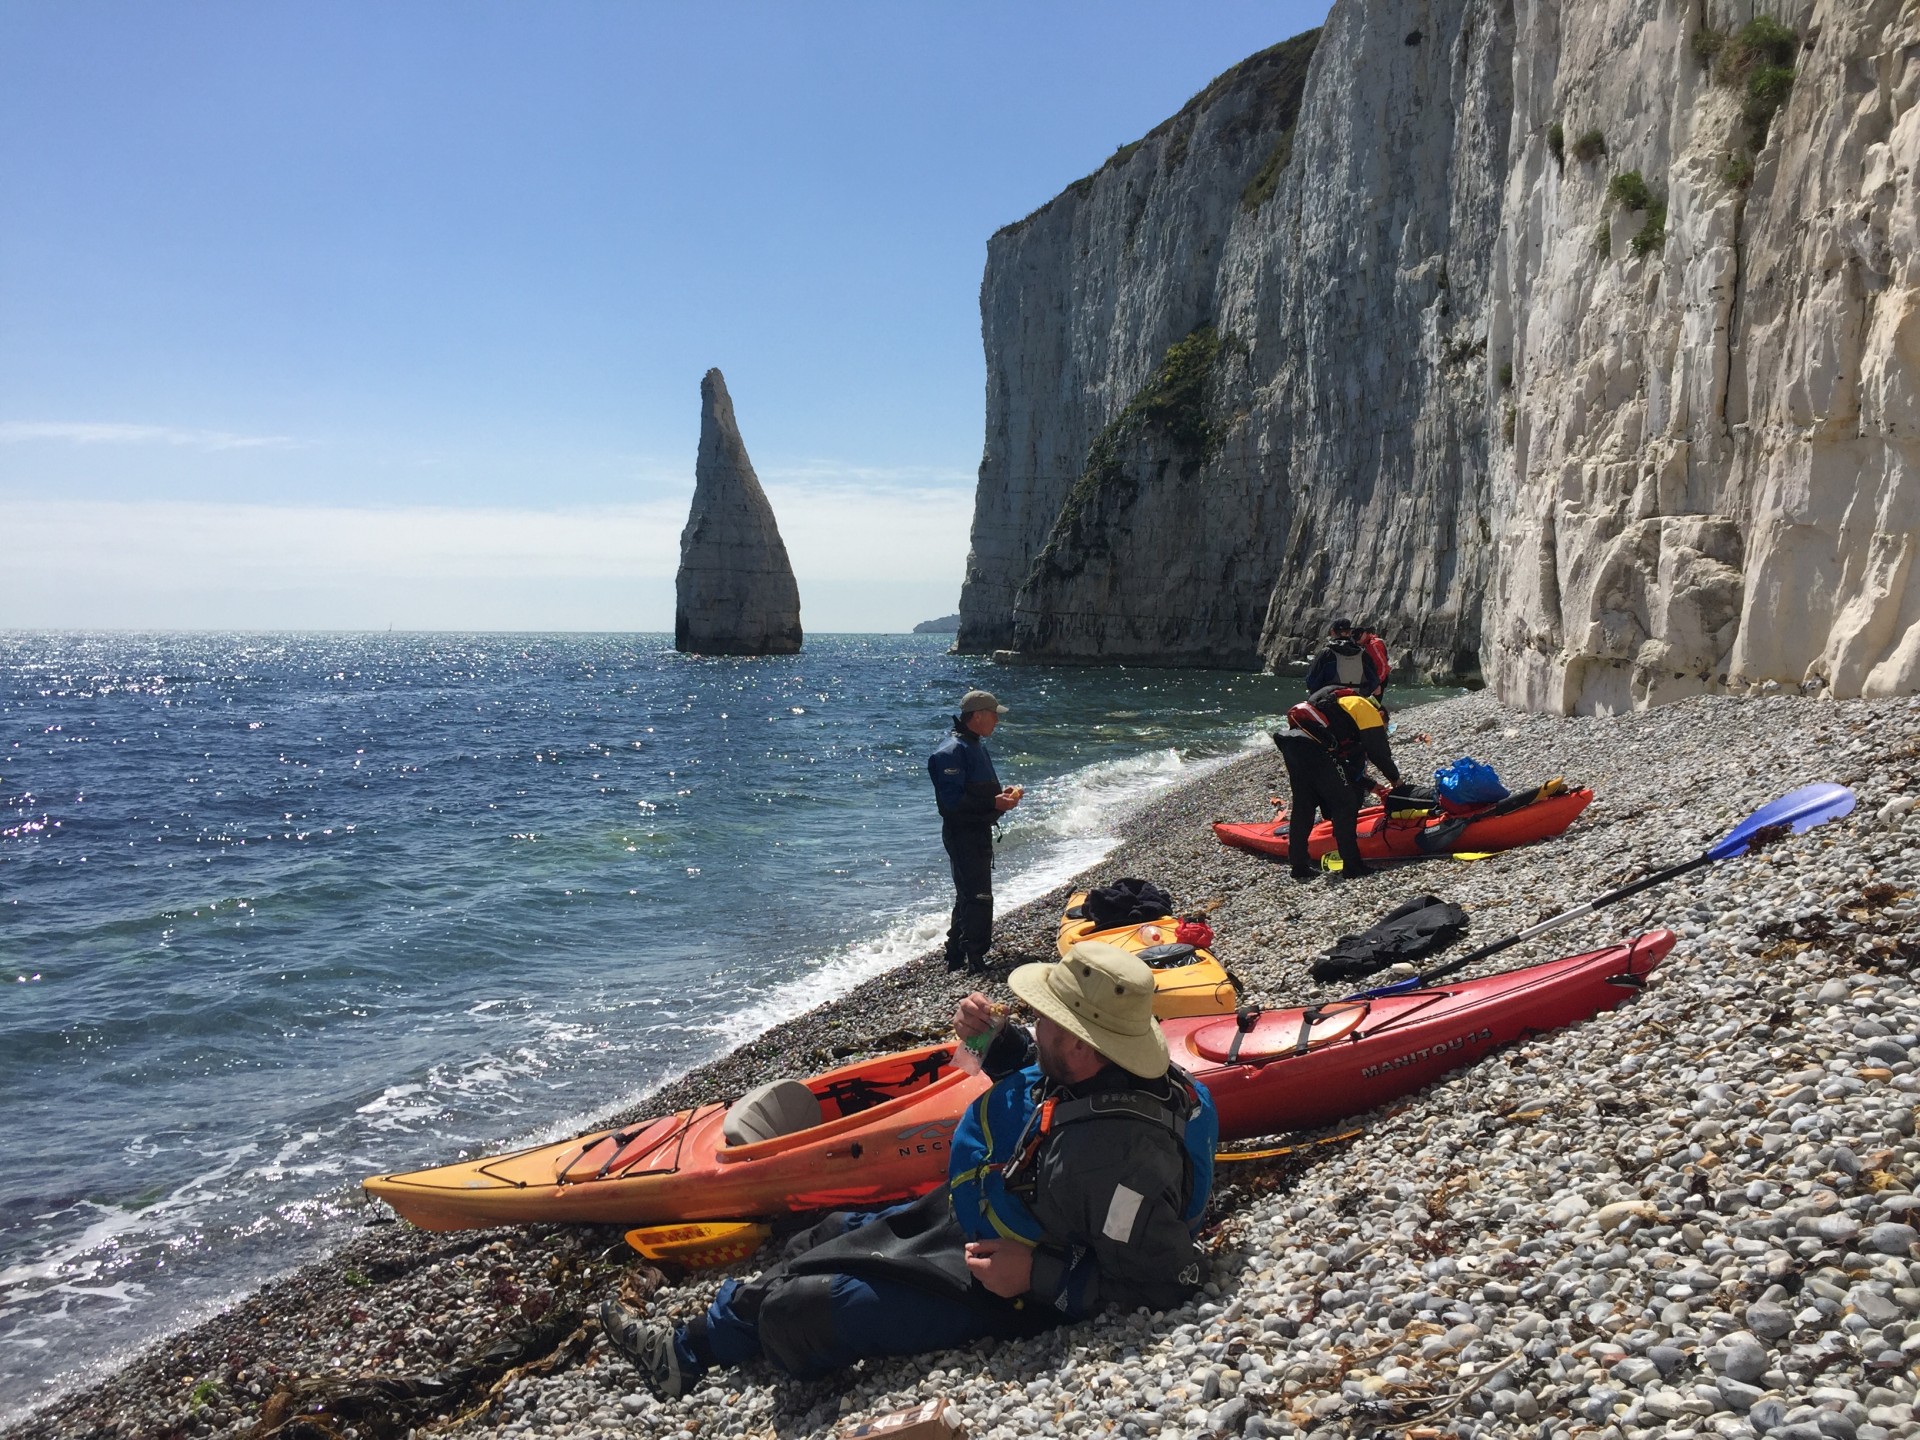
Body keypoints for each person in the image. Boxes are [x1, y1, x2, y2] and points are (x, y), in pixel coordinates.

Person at [598, 942, 1218, 1398]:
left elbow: (1172, 1276)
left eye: (1048, 1018)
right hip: (1012, 1206)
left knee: (809, 1309)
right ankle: (697, 1343)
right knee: (829, 1230)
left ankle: (691, 1357)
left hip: (1015, 1280)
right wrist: (994, 1046)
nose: (1036, 1022)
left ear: (1082, 1044)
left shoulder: (1116, 1167)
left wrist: (1038, 1273)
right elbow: (1043, 1093)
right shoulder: (1103, 1074)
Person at [926, 689, 1022, 972]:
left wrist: (1000, 798)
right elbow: (951, 804)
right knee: (978, 895)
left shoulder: (974, 745)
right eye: (994, 715)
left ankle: (956, 955)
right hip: (962, 833)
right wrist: (994, 801)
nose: (997, 721)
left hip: (976, 830)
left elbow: (976, 793)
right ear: (977, 716)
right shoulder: (950, 752)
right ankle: (975, 959)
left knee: (969, 893)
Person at [1271, 685, 1402, 882]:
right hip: (1314, 748)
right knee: (1345, 803)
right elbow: (1378, 751)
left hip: (1294, 746)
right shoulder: (1366, 710)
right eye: (1383, 728)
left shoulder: (1338, 705)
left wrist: (1370, 784)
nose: (1383, 732)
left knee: (1304, 804)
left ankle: (1299, 866)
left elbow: (1340, 764)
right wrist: (1396, 780)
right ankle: (1352, 866)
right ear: (1381, 714)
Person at [1303, 617, 1379, 695]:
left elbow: (1311, 682)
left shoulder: (1326, 653)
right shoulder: (1363, 654)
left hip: (1330, 700)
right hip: (1357, 700)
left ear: (1333, 632)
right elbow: (1374, 681)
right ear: (1349, 632)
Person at [1355, 623, 1391, 712]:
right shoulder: (1365, 645)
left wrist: (1377, 683)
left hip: (1377, 679)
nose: (1356, 639)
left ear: (1365, 633)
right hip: (1372, 679)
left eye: (1359, 636)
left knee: (1374, 706)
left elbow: (1383, 666)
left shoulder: (1373, 645)